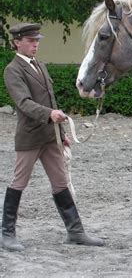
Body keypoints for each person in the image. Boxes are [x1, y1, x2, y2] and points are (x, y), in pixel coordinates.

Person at [2, 23, 104, 251]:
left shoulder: (40, 66)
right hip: (29, 138)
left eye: (37, 40)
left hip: (50, 137)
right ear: (17, 42)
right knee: (19, 183)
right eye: (30, 40)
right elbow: (24, 103)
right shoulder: (13, 70)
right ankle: (7, 234)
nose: (35, 44)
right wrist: (50, 115)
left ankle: (75, 231)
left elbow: (51, 101)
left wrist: (62, 133)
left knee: (60, 183)